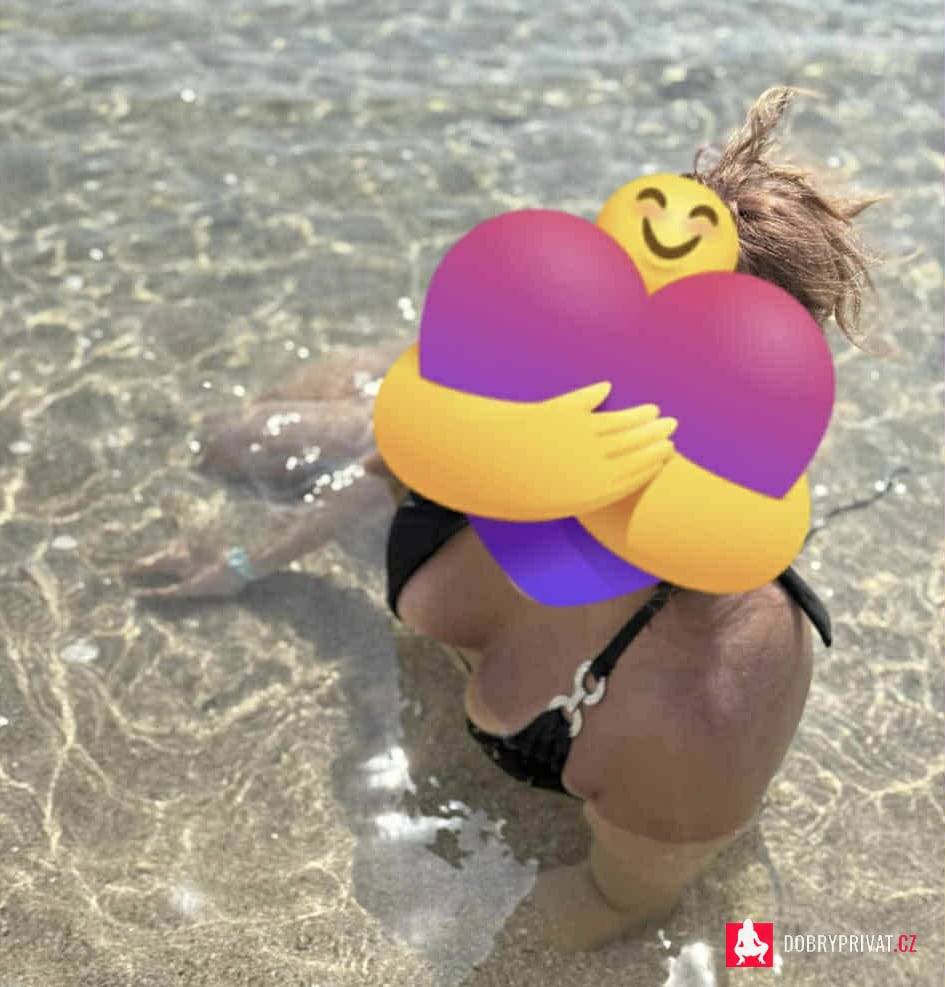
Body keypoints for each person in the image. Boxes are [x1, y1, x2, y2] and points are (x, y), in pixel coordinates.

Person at [128, 87, 878, 951]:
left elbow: (618, 899)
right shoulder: (528, 405)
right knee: (228, 442)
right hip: (426, 440)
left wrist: (417, 954)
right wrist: (241, 561)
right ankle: (378, 369)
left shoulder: (710, 695)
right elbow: (384, 469)